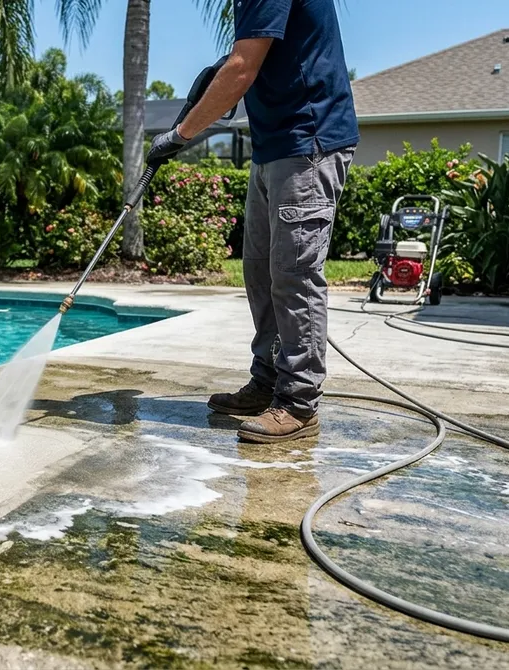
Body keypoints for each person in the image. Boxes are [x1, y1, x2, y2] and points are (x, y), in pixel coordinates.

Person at [146, 0, 358, 444]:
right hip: (273, 147)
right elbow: (249, 57)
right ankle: (267, 380)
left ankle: (299, 402)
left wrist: (180, 134)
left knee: (294, 275)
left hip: (308, 142)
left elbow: (243, 68)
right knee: (260, 271)